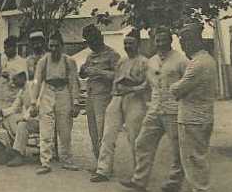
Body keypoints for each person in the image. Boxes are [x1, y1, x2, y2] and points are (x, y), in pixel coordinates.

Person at [120, 27, 187, 192]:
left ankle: (174, 183)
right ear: (153, 41)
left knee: (177, 148)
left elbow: (187, 86)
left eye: (164, 39)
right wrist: (132, 89)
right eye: (157, 40)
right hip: (155, 108)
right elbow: (147, 85)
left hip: (173, 110)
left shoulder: (181, 60)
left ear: (171, 40)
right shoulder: (151, 62)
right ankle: (139, 180)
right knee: (142, 142)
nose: (160, 43)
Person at [91, 31, 149, 182]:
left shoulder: (144, 62)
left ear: (138, 44)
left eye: (131, 43)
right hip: (117, 98)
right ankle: (103, 170)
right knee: (107, 134)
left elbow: (146, 85)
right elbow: (115, 81)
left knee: (134, 136)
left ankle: (139, 175)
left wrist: (132, 89)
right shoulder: (122, 61)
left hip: (135, 99)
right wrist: (114, 95)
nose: (128, 46)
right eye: (126, 43)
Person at [171, 23, 217, 192]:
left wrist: (174, 85)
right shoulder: (208, 60)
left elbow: (177, 90)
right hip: (203, 116)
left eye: (184, 41)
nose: (183, 46)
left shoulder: (197, 64)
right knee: (198, 156)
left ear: (193, 41)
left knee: (193, 158)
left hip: (192, 117)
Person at [29, 32, 80, 175]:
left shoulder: (69, 61)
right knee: (46, 128)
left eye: (56, 46)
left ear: (62, 46)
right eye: (51, 46)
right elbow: (37, 82)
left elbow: (74, 82)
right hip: (48, 93)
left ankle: (67, 160)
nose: (53, 49)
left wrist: (75, 102)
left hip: (63, 92)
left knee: (65, 129)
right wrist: (34, 102)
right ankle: (45, 162)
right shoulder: (43, 61)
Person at [79, 24, 121, 165]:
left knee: (103, 131)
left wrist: (98, 72)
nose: (92, 45)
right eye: (89, 42)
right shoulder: (90, 56)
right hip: (90, 96)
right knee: (93, 132)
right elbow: (84, 74)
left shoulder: (112, 55)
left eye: (94, 40)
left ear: (101, 37)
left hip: (104, 97)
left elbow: (118, 76)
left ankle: (105, 166)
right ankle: (99, 163)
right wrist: (83, 71)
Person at [1, 70, 33, 167]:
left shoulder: (33, 87)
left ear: (22, 78)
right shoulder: (22, 90)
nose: (13, 82)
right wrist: (1, 112)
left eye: (15, 80)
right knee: (7, 119)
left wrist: (25, 118)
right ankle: (14, 148)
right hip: (30, 118)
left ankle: (19, 155)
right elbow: (14, 107)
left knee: (22, 125)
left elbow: (35, 106)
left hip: (41, 119)